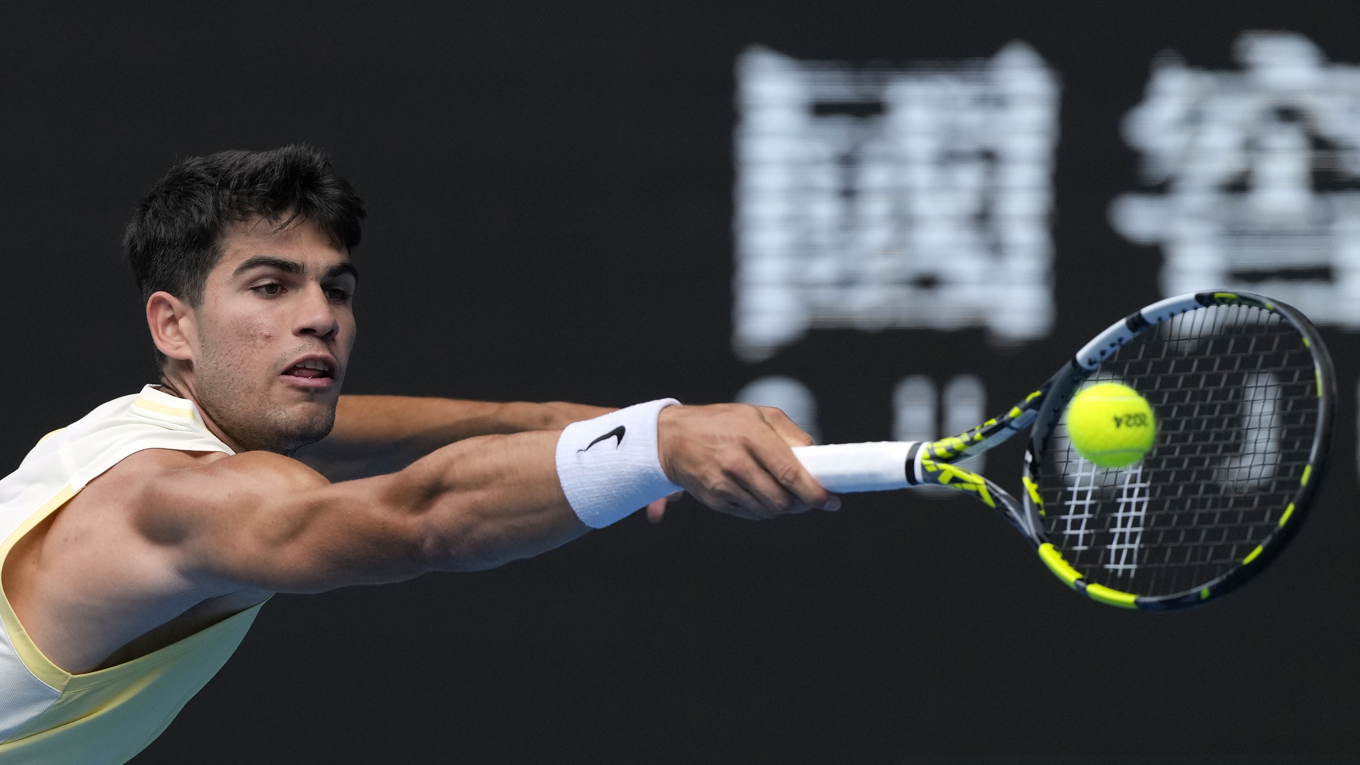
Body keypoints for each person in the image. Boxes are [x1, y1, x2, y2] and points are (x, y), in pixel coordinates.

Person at [0, 145, 839, 763]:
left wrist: (582, 421)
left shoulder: (178, 424)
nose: (319, 314)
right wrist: (653, 442)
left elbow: (431, 429)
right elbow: (421, 517)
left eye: (336, 287)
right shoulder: (173, 497)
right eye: (270, 286)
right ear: (172, 324)